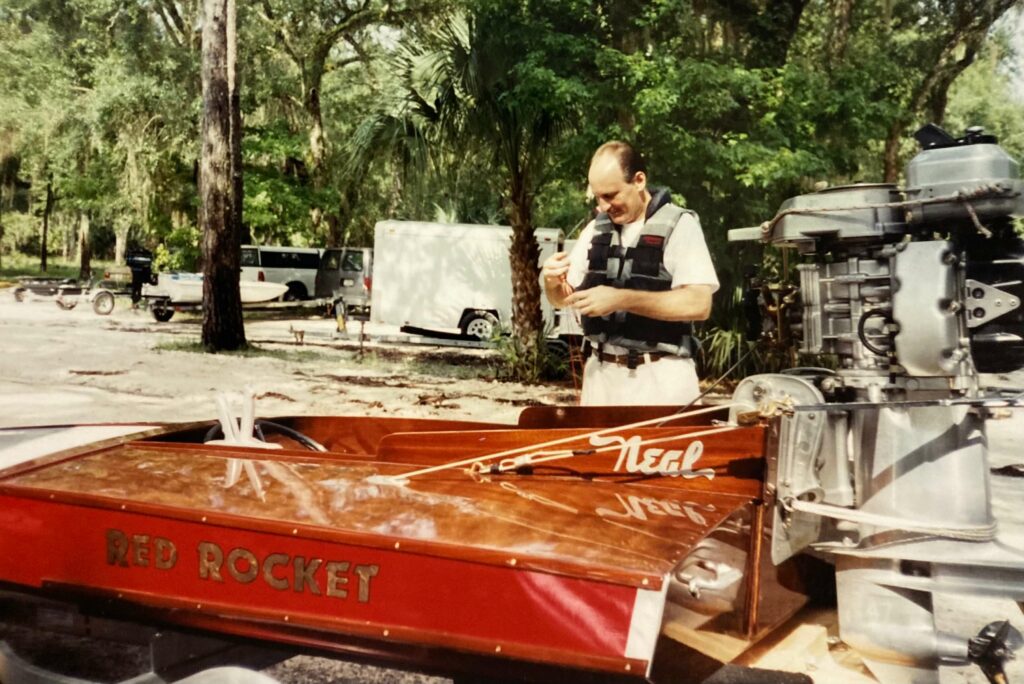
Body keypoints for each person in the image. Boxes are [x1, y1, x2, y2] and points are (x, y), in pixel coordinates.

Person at [542, 141, 719, 406]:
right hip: (600, 378)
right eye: (598, 197)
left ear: (639, 180)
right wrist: (550, 282)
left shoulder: (680, 225)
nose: (603, 206)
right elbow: (562, 299)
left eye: (611, 195)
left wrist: (620, 299)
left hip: (660, 378)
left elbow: (699, 303)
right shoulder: (595, 229)